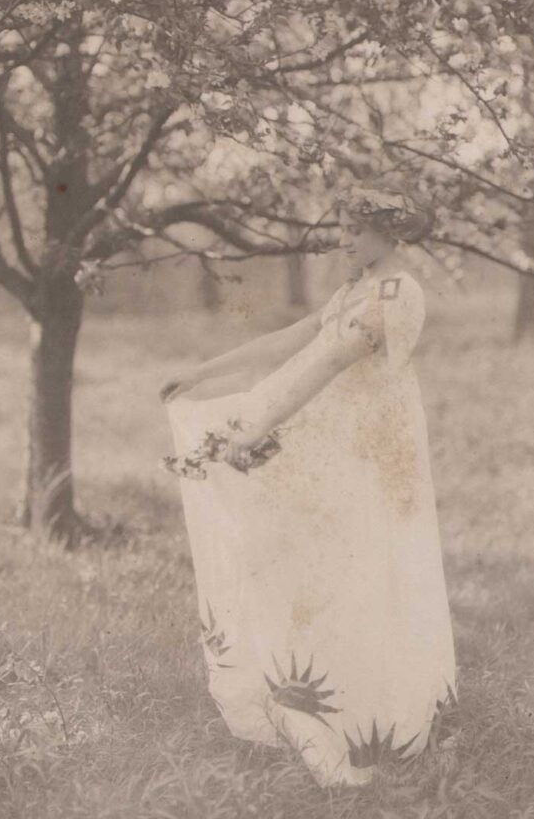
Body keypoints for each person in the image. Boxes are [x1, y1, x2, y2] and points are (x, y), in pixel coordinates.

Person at [159, 193, 458, 788]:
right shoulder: (357, 287)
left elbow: (328, 365)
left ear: (385, 233)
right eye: (343, 229)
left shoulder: (396, 294)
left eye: (354, 230)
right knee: (312, 569)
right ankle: (316, 712)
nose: (344, 240)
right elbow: (293, 341)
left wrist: (257, 424)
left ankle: (365, 724)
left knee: (354, 574)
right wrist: (204, 372)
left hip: (365, 454)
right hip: (330, 442)